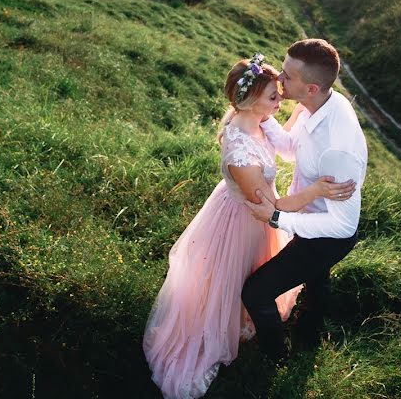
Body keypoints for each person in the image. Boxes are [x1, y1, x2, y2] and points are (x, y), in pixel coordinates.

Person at [143, 53, 355, 399]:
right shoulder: (239, 148)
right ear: (250, 100)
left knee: (251, 274)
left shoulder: (255, 122)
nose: (281, 99)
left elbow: (281, 144)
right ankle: (223, 331)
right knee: (231, 278)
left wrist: (302, 114)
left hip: (257, 219)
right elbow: (268, 208)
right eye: (274, 96)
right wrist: (316, 191)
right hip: (241, 221)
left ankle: (245, 319)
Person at [242, 39, 368, 362]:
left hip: (328, 235)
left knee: (255, 292)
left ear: (311, 87)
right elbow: (287, 149)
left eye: (286, 76)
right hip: (309, 211)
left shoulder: (336, 148)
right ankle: (309, 333)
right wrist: (259, 109)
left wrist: (276, 218)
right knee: (316, 279)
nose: (279, 80)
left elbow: (343, 225)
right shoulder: (315, 105)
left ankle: (276, 359)